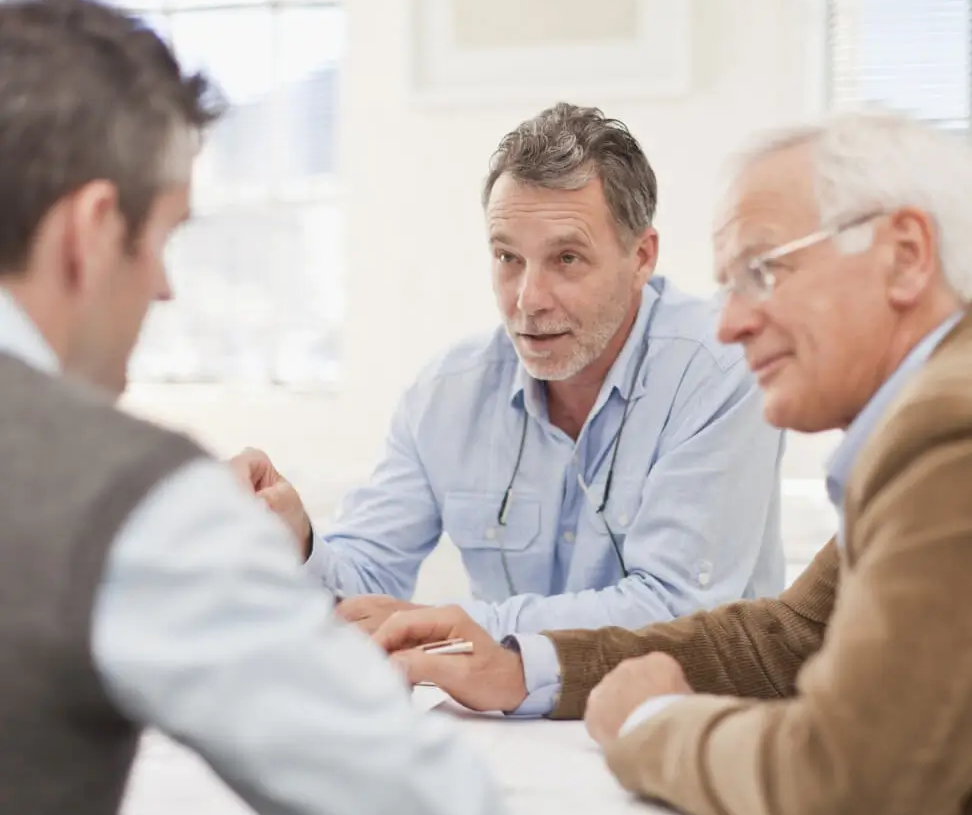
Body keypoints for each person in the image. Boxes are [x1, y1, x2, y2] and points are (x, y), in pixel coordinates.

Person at [372, 110, 972, 815]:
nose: (729, 323)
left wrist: (651, 724)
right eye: (507, 257)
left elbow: (850, 776)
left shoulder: (945, 430)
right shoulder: (930, 419)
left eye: (763, 271)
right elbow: (791, 636)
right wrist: (524, 665)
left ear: (904, 255)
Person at [0, 0, 506, 815]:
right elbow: (432, 805)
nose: (164, 286)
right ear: (92, 230)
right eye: (163, 238)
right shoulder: (131, 498)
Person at [235, 102, 786, 641]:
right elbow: (366, 586)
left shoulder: (721, 367)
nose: (528, 299)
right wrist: (299, 540)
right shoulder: (445, 395)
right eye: (508, 258)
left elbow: (677, 611)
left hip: (690, 716)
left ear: (641, 257)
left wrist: (461, 628)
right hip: (508, 728)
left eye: (566, 259)